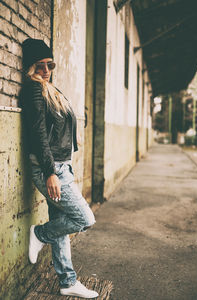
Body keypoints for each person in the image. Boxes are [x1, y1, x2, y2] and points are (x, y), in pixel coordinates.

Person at [20, 38, 99, 298]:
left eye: (49, 64)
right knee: (83, 219)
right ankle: (40, 233)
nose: (46, 70)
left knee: (61, 225)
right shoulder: (34, 89)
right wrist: (50, 172)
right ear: (31, 67)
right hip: (51, 169)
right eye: (40, 65)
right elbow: (38, 134)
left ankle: (67, 281)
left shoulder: (49, 88)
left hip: (62, 166)